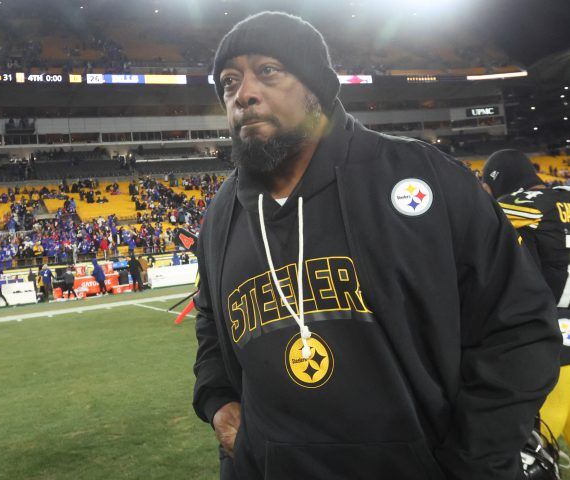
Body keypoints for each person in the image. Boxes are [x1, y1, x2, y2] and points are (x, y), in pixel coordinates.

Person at [192, 12, 560, 480]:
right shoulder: (222, 215)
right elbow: (211, 320)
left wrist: (473, 462)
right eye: (229, 81)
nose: (243, 93)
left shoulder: (421, 175)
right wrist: (217, 398)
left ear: (316, 87)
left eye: (268, 70)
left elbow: (519, 327)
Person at [482, 149, 570, 443]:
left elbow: (479, 216)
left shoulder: (522, 204)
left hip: (553, 346)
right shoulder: (564, 196)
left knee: (537, 452)